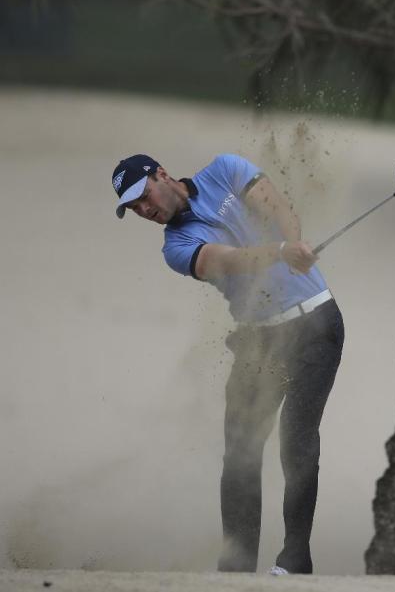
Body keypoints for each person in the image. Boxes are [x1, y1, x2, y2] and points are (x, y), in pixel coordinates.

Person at [111, 153, 344, 575]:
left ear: (162, 174)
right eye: (134, 208)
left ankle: (295, 558)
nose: (145, 211)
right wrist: (279, 252)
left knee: (297, 436)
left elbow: (278, 208)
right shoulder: (175, 247)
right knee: (240, 452)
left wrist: (293, 243)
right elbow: (224, 260)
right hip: (259, 341)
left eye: (143, 197)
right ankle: (236, 567)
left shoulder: (225, 169)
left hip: (316, 324)